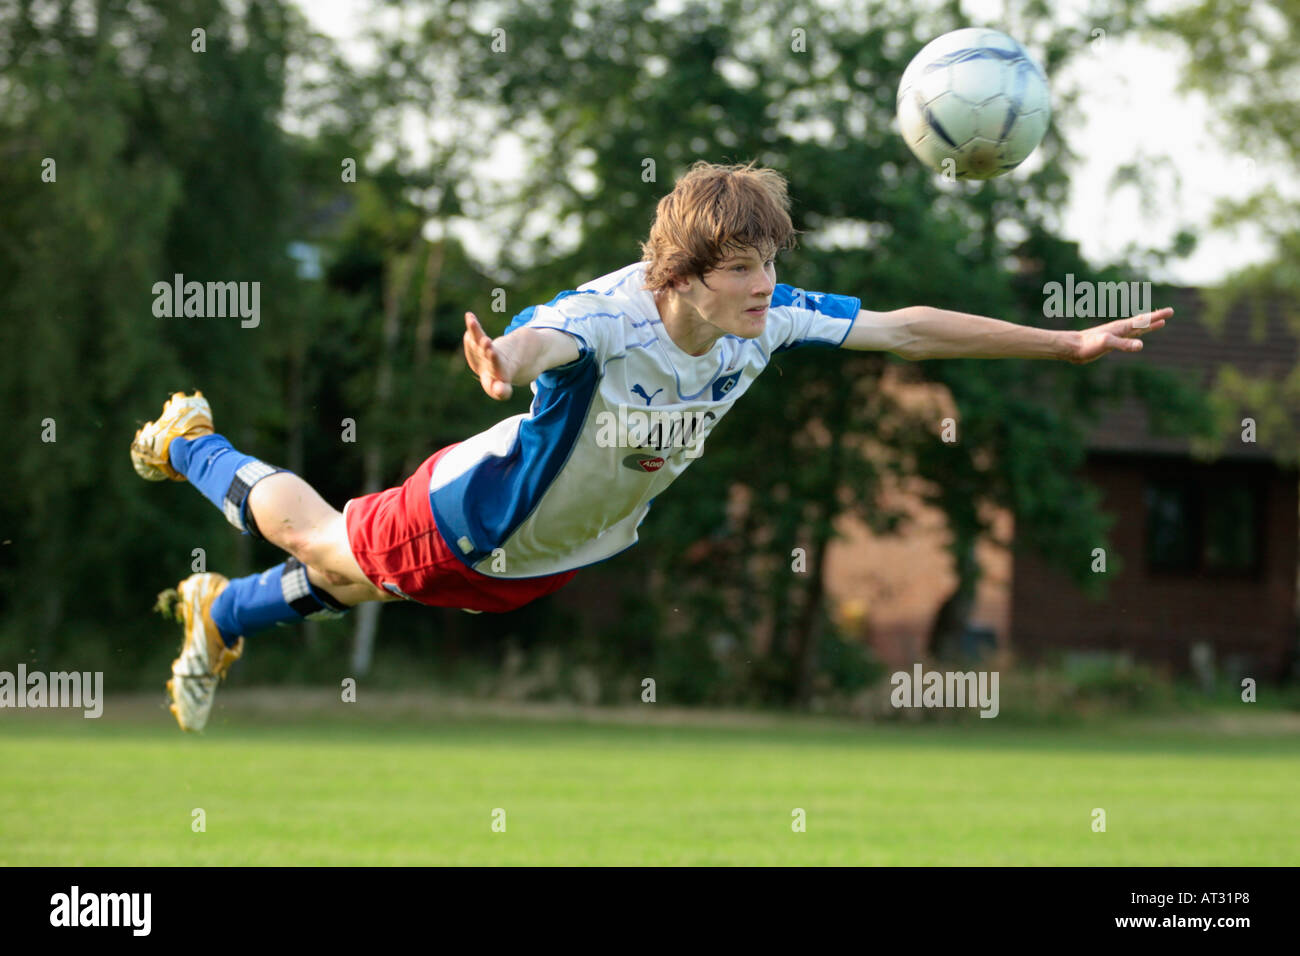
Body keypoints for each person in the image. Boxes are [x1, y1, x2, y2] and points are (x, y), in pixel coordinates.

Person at [132, 160, 1170, 731]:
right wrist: (507, 361)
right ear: (682, 275)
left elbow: (906, 325)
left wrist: (1065, 340)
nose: (766, 280)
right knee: (324, 547)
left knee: (367, 589)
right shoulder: (612, 317)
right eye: (743, 264)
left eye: (770, 257)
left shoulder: (773, 315)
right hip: (481, 510)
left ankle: (221, 608)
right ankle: (194, 444)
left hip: (568, 545)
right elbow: (546, 336)